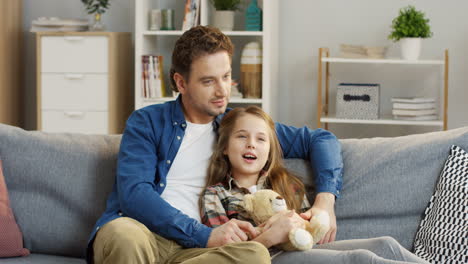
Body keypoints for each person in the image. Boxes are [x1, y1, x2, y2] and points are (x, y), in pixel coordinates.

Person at [87, 25, 343, 264]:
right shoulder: (147, 122)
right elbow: (135, 195)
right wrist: (204, 234)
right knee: (124, 235)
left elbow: (321, 140)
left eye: (226, 76)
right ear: (181, 83)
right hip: (142, 234)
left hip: (197, 254)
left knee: (254, 254)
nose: (222, 91)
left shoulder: (238, 127)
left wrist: (325, 202)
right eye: (209, 81)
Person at [200, 105, 430, 264]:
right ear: (224, 147)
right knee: (360, 259)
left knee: (384, 244)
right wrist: (271, 234)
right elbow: (226, 256)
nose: (251, 145)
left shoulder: (287, 185)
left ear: (270, 150)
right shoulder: (215, 195)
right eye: (241, 137)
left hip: (302, 250)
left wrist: (308, 223)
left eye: (261, 139)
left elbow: (311, 234)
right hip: (269, 259)